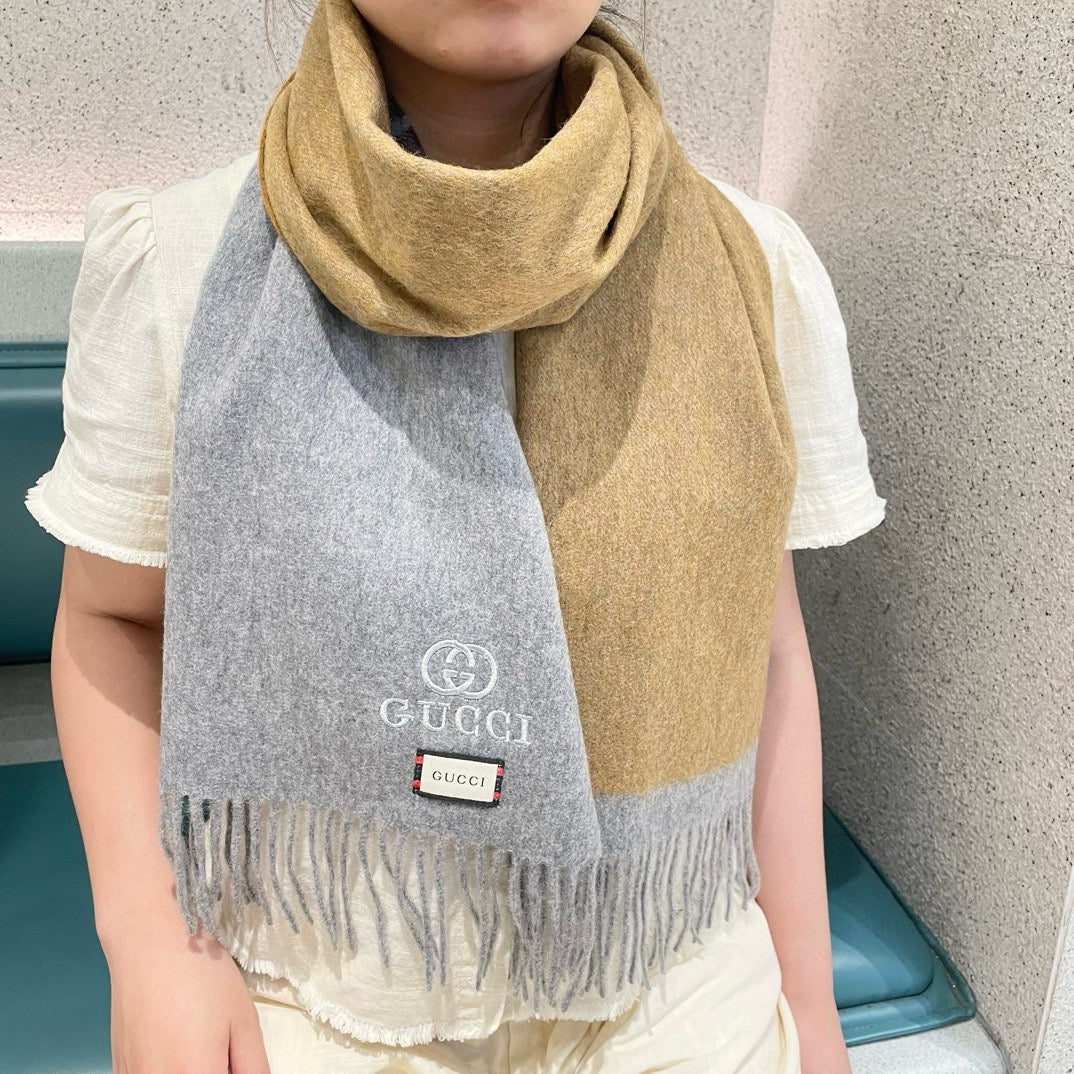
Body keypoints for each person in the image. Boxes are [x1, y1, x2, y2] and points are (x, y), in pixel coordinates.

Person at [24, 1, 887, 1071]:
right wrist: (152, 944)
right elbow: (110, 619)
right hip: (311, 977)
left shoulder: (750, 267)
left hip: (669, 972)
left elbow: (763, 646)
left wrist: (810, 1005)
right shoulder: (181, 262)